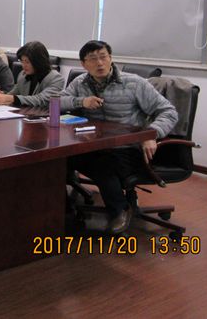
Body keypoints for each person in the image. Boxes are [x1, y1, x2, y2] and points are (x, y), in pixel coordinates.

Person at [62, 40, 178, 235]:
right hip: (92, 146)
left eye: (103, 57)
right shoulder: (80, 83)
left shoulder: (134, 83)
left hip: (127, 148)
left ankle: (120, 209)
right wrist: (81, 101)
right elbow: (58, 102)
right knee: (58, 161)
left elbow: (169, 112)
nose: (100, 63)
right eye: (93, 59)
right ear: (84, 64)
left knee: (103, 164)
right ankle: (64, 210)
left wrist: (151, 134)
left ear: (111, 58)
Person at [0, 40, 64, 107]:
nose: (23, 65)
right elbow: (13, 94)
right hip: (25, 115)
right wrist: (1, 96)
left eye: (27, 62)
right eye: (22, 61)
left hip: (45, 116)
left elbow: (42, 100)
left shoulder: (56, 78)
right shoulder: (23, 75)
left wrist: (12, 98)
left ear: (38, 62)